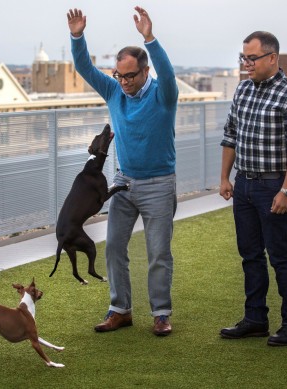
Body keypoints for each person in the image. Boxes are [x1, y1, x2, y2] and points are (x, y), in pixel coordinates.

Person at [66, 6, 178, 336]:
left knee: (158, 253)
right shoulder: (115, 91)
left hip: (159, 183)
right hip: (122, 183)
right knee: (114, 247)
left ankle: (160, 313)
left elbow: (168, 74)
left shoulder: (163, 94)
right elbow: (85, 67)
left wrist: (150, 38)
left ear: (145, 71)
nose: (125, 82)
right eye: (120, 75)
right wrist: (77, 36)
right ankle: (120, 309)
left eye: (130, 75)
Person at [219, 31, 287, 346]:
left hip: (274, 185)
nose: (246, 64)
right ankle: (255, 318)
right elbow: (230, 134)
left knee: (280, 255)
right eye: (243, 57)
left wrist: (286, 190)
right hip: (243, 184)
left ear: (272, 58)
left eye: (252, 58)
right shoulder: (242, 90)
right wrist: (224, 178)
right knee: (250, 255)